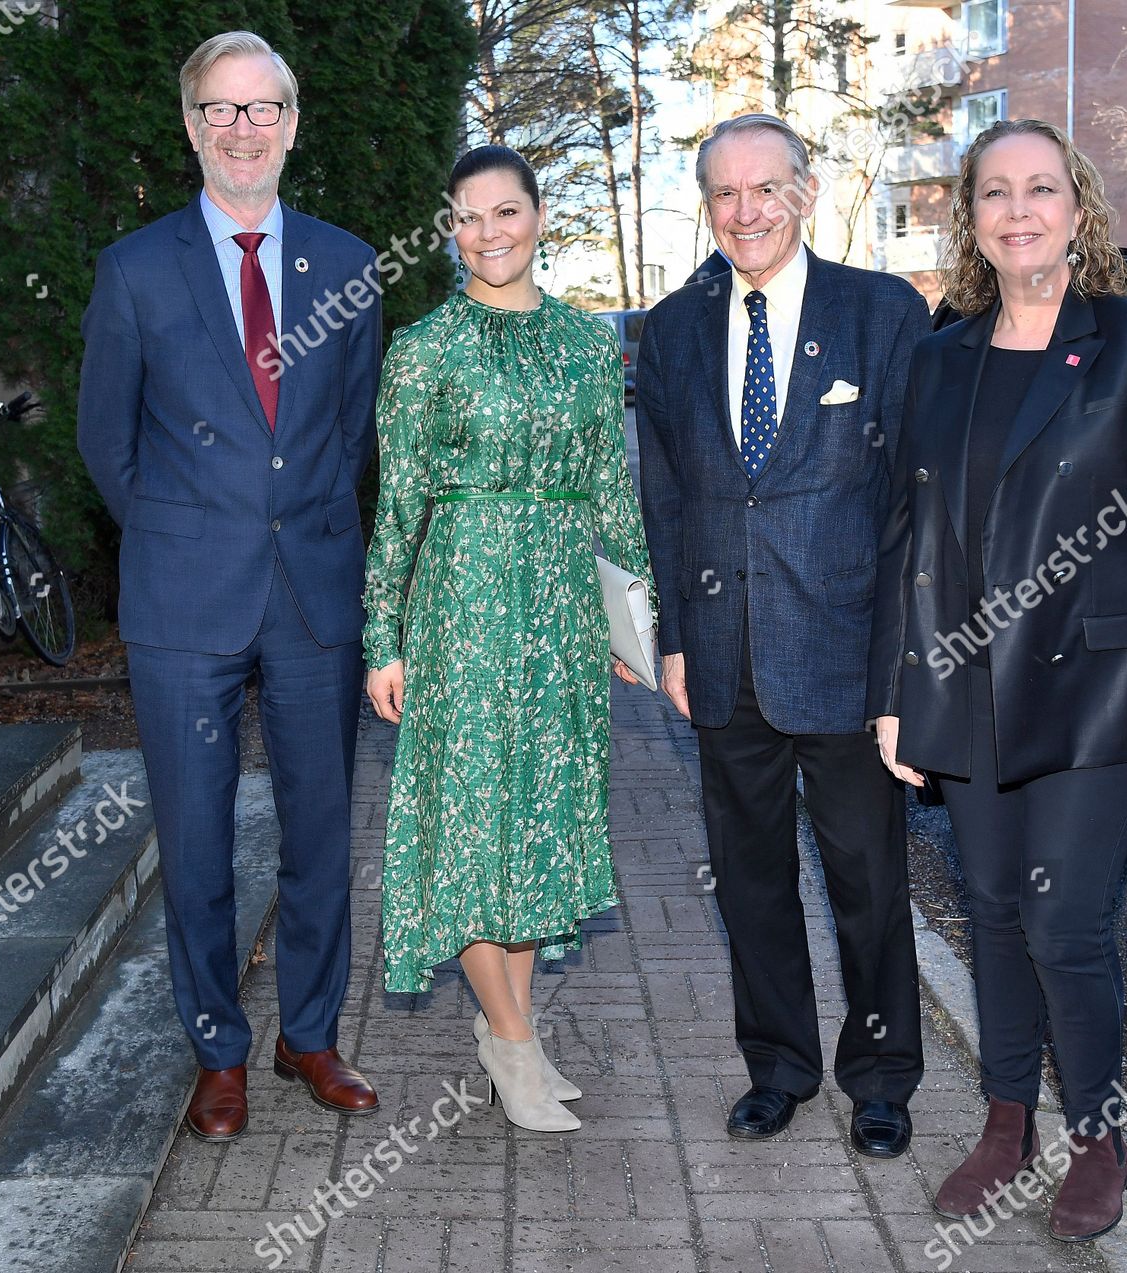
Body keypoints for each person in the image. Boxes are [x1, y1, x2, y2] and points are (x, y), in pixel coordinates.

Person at [868, 118, 1127, 1242]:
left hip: (1101, 697)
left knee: (1064, 920)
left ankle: (1097, 1131)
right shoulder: (939, 357)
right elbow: (905, 536)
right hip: (965, 690)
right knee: (987, 909)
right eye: (994, 194)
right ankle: (1005, 1116)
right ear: (970, 218)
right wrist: (895, 691)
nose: (1017, 211)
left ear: (1078, 207)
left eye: (1040, 189)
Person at [77, 31, 381, 1142]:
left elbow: (351, 435)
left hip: (311, 598)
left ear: (293, 125)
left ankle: (310, 1034)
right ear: (192, 125)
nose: (242, 129)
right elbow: (106, 444)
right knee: (196, 840)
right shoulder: (135, 269)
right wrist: (183, 537)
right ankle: (218, 1049)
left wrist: (291, 525)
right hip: (181, 605)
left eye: (263, 109)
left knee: (320, 834)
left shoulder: (346, 268)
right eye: (220, 109)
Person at [635, 114, 929, 1154]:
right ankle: (779, 1067)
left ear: (804, 192)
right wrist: (672, 634)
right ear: (706, 204)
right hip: (722, 658)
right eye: (725, 193)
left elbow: (910, 506)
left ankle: (883, 1075)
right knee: (748, 877)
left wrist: (904, 661)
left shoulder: (885, 313)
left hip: (847, 658)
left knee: (867, 880)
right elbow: (664, 494)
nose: (746, 211)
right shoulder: (671, 330)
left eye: (765, 189)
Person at [362, 145, 657, 1134]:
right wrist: (382, 635)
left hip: (565, 608)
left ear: (539, 216)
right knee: (474, 818)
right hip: (462, 601)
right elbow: (398, 502)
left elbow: (612, 487)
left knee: (538, 818)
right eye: (467, 217)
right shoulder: (423, 349)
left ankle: (511, 1034)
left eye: (505, 212)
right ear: (451, 231)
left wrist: (635, 620)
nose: (488, 233)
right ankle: (515, 1043)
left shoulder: (584, 344)